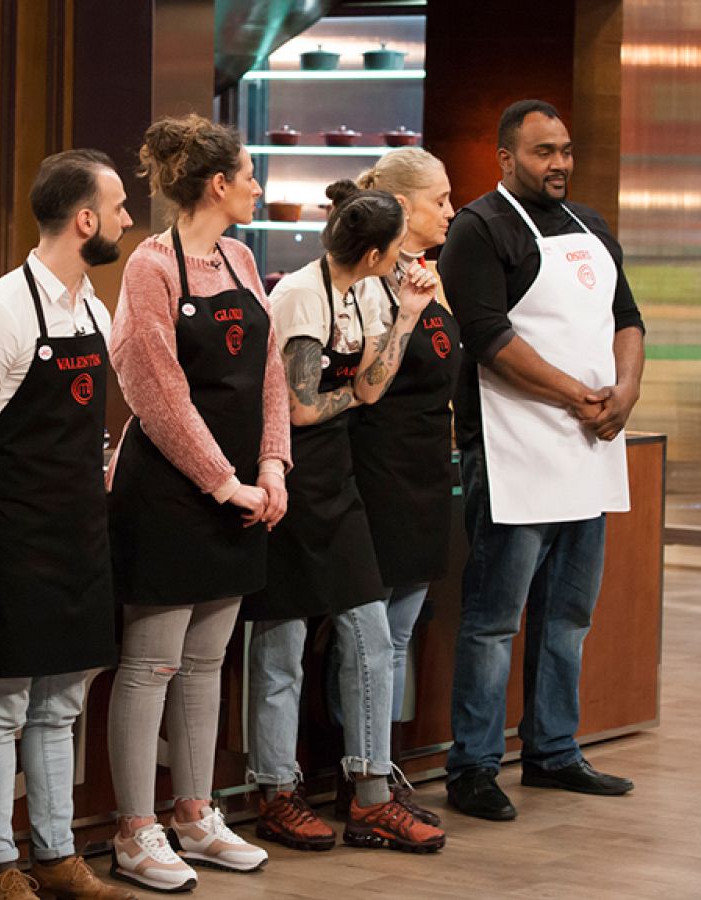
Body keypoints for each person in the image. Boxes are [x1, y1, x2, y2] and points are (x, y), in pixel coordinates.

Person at [437, 99, 644, 821]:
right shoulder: (478, 229)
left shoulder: (591, 225)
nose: (559, 163)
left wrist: (626, 390)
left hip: (588, 450)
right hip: (514, 450)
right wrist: (577, 394)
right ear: (506, 158)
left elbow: (627, 318)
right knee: (494, 620)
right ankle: (472, 768)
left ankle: (554, 751)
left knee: (569, 616)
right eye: (543, 152)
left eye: (565, 150)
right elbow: (489, 339)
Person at [0, 149, 136, 900]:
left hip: (81, 538)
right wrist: (3, 522)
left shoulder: (93, 311)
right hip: (15, 542)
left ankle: (57, 857)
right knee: (1, 708)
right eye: (117, 208)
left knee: (61, 706)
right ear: (84, 220)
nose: (126, 219)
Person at [104, 113, 286, 893]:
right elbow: (155, 391)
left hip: (242, 489)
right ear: (217, 184)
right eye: (249, 175)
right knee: (152, 664)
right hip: (172, 493)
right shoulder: (151, 267)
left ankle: (195, 814)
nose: (257, 186)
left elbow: (270, 372)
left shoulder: (241, 259)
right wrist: (222, 480)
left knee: (208, 662)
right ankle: (133, 830)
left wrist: (273, 466)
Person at [243, 180, 445, 857]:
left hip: (339, 478)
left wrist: (408, 315)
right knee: (283, 646)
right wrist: (354, 396)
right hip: (289, 474)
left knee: (370, 635)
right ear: (376, 253)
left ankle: (370, 795)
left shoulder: (363, 292)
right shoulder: (302, 295)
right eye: (396, 252)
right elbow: (300, 408)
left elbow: (371, 386)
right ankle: (276, 790)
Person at [330, 148, 460, 825]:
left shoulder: (430, 276)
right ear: (403, 206)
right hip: (375, 472)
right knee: (368, 644)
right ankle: (362, 781)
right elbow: (364, 387)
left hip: (427, 473)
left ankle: (382, 763)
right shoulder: (367, 282)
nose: (451, 211)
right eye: (440, 199)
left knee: (400, 636)